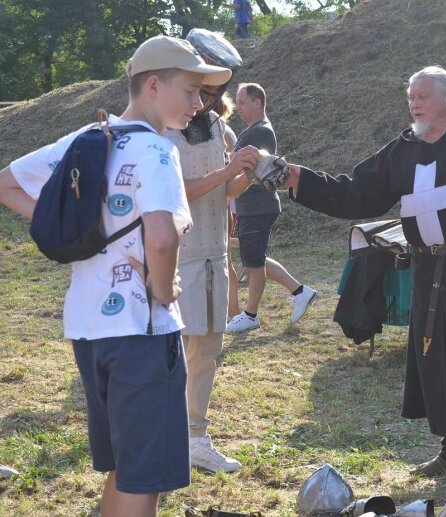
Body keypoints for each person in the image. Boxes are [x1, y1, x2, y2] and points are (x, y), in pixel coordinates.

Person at [0, 35, 232, 516]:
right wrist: (163, 289)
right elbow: (162, 238)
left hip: (89, 327)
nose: (198, 104)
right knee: (142, 480)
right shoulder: (158, 150)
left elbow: (7, 183)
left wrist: (80, 235)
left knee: (125, 469)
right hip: (142, 331)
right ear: (153, 85)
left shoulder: (89, 137)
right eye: (190, 90)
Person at [284, 66, 446, 484]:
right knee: (434, 355)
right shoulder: (404, 149)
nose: (414, 103)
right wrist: (301, 179)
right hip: (426, 268)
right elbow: (358, 191)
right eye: (410, 97)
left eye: (422, 96)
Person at [164, 29, 260, 473]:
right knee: (177, 349)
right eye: (203, 83)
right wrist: (227, 173)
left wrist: (249, 172)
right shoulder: (164, 127)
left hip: (214, 253)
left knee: (208, 347)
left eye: (215, 85)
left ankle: (193, 436)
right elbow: (177, 192)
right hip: (178, 253)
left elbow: (223, 192)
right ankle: (178, 435)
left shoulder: (220, 127)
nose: (207, 94)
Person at [226, 82, 317, 333]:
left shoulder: (257, 132)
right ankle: (300, 292)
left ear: (258, 102)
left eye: (242, 102)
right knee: (254, 257)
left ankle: (250, 314)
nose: (237, 108)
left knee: (253, 261)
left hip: (256, 204)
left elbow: (231, 164)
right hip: (255, 204)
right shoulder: (258, 130)